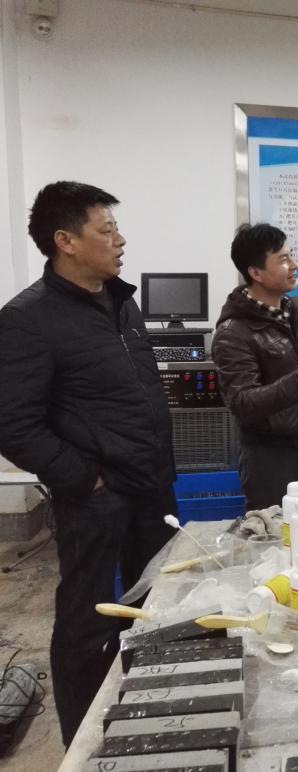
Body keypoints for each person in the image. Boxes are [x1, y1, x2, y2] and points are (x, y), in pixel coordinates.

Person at [0, 181, 177, 746]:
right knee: (87, 621)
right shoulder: (28, 318)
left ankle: (153, 714)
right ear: (66, 241)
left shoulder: (122, 303)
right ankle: (84, 745)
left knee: (157, 606)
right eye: (107, 230)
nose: (120, 240)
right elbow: (13, 424)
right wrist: (84, 479)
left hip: (151, 486)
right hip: (96, 499)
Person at [212, 224, 298, 515]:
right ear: (256, 272)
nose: (295, 265)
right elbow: (242, 403)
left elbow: (290, 371)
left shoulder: (288, 310)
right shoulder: (233, 332)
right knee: (276, 537)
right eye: (284, 259)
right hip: (272, 459)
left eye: (292, 255)